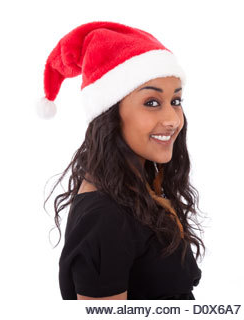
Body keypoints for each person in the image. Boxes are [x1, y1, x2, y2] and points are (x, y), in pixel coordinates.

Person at [37, 21, 206, 300]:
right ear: (109, 114)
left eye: (176, 101)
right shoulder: (105, 217)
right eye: (152, 102)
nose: (172, 120)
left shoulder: (136, 188)